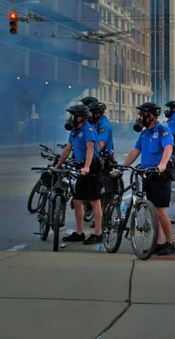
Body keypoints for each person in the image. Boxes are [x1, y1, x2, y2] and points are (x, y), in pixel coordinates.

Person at [120, 102, 175, 255]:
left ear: (151, 115)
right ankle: (158, 243)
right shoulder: (144, 133)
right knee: (152, 210)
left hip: (160, 175)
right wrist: (123, 166)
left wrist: (163, 164)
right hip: (147, 175)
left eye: (143, 114)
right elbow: (135, 151)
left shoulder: (163, 130)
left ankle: (170, 243)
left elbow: (168, 148)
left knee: (160, 210)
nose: (140, 117)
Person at [56, 104, 104, 245]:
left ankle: (98, 233)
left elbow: (90, 149)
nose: (70, 118)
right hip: (82, 167)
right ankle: (79, 232)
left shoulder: (88, 129)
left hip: (92, 167)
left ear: (80, 117)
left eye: (72, 115)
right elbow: (67, 149)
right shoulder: (74, 132)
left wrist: (87, 167)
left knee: (94, 201)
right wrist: (56, 166)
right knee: (77, 201)